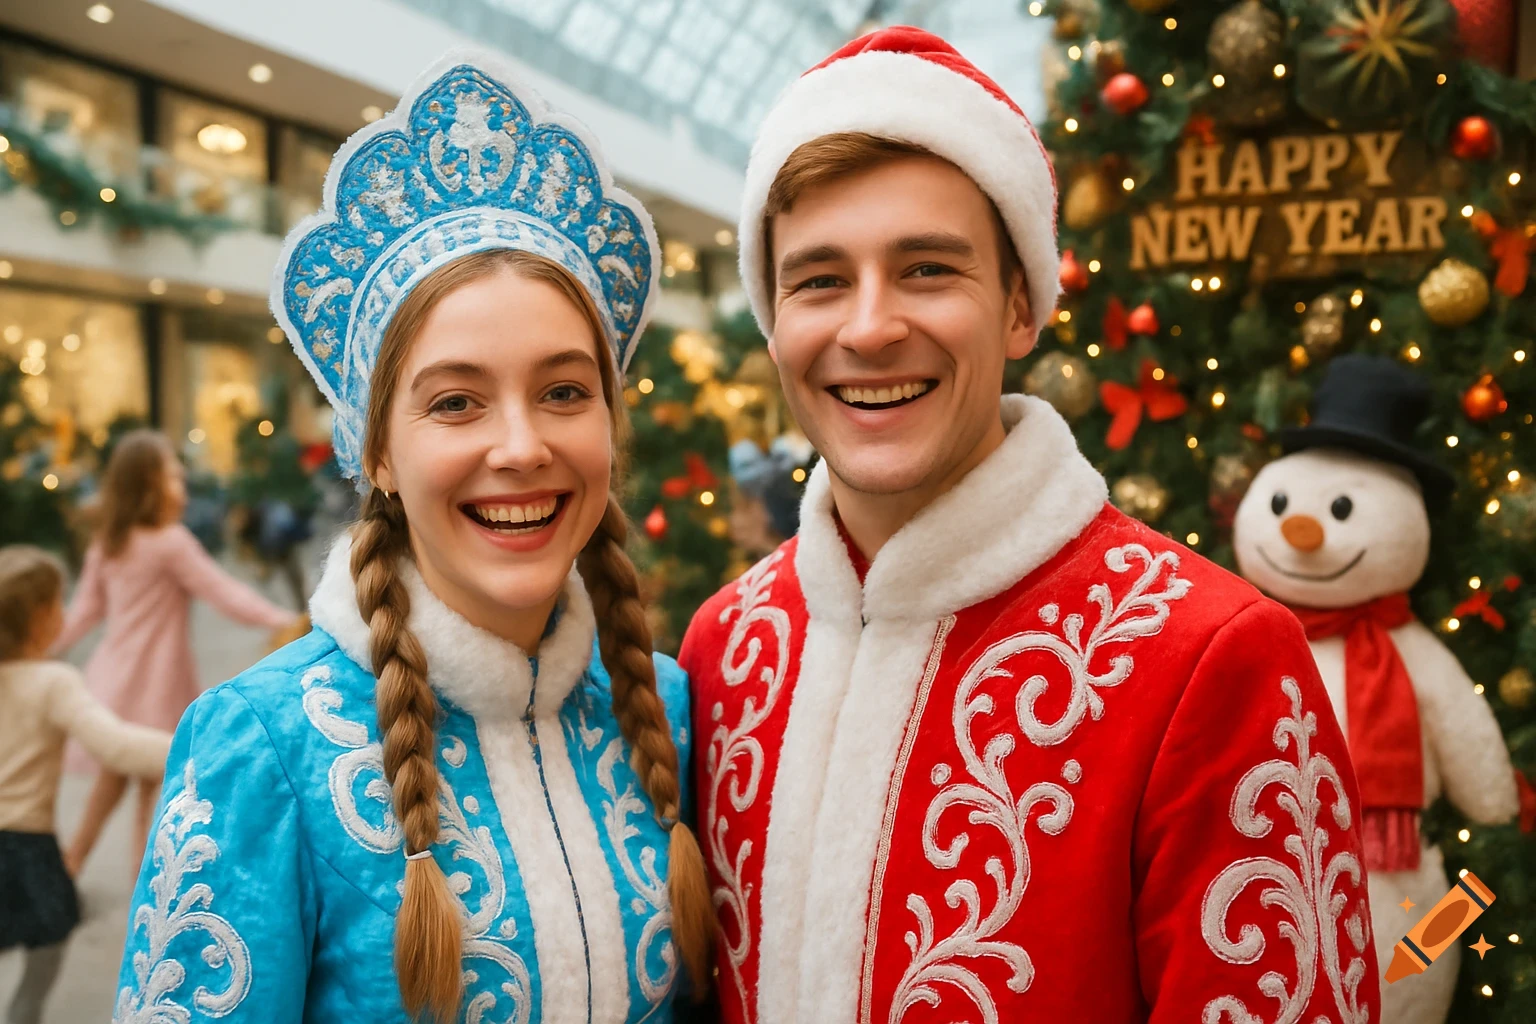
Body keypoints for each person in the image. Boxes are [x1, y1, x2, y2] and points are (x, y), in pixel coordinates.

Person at [678, 27, 1381, 1024]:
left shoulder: (1213, 660)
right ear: (775, 318)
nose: (869, 327)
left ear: (1020, 306)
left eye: (927, 269)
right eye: (820, 279)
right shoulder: (724, 647)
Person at [113, 52, 712, 1024]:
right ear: (377, 452)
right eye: (456, 402)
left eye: (564, 391)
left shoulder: (671, 708)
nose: (520, 446)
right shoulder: (263, 745)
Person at [53, 429, 298, 876]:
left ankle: (71, 865)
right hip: (154, 682)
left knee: (112, 780)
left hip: (114, 677)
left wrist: (36, 648)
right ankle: (141, 891)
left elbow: (85, 610)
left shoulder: (110, 541)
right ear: (148, 485)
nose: (182, 489)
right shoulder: (170, 542)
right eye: (175, 479)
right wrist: (281, 619)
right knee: (152, 785)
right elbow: (223, 591)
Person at [0, 546, 169, 1024]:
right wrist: (189, 745)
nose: (67, 612)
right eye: (59, 603)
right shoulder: (52, 681)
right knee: (43, 955)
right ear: (38, 618)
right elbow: (114, 745)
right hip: (24, 850)